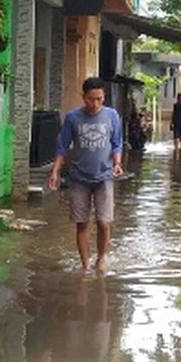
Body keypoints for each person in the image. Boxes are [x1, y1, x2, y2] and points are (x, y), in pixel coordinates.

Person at [48, 77, 123, 272]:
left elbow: (117, 143)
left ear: (104, 97)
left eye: (99, 99)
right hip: (79, 178)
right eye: (91, 99)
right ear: (83, 97)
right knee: (82, 223)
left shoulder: (112, 116)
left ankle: (101, 258)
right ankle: (85, 265)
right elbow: (62, 146)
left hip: (104, 176)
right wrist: (55, 172)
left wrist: (117, 163)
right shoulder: (73, 118)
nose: (95, 103)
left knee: (104, 222)